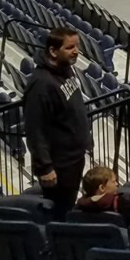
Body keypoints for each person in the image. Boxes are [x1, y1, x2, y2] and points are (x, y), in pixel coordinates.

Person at [22, 27, 90, 221]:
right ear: (53, 51)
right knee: (60, 212)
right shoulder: (41, 85)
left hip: (74, 156)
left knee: (68, 205)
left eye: (77, 46)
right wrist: (45, 168)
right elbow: (35, 130)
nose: (76, 51)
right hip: (60, 165)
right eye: (70, 47)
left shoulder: (65, 68)